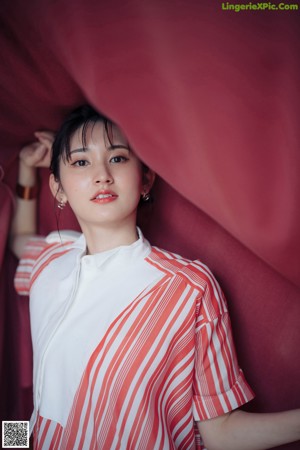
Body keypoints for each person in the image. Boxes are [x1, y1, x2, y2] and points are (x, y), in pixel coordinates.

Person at [10, 105, 300, 450]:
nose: (102, 174)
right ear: (58, 188)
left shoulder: (188, 286)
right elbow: (19, 238)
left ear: (145, 179)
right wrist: (27, 169)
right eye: (82, 162)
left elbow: (219, 433)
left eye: (118, 158)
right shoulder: (50, 258)